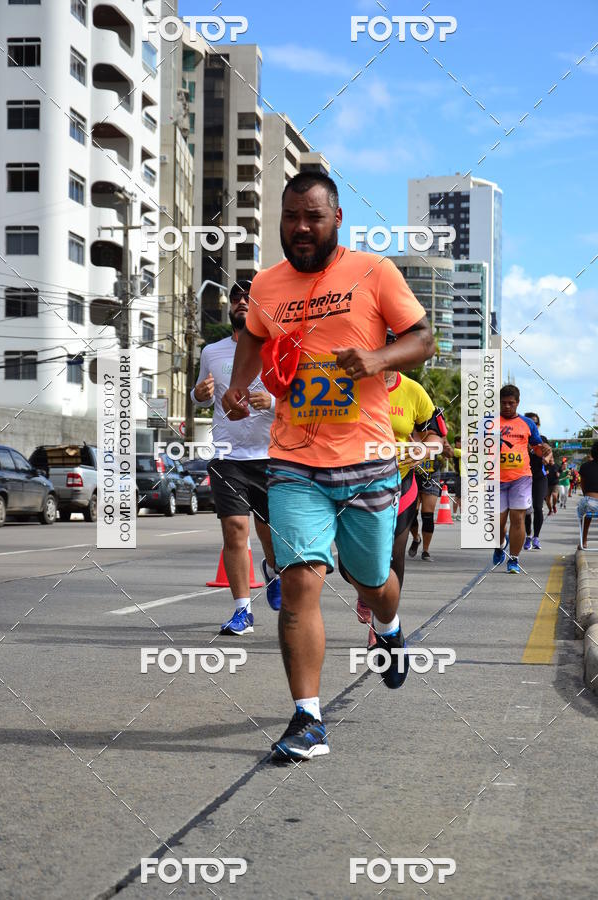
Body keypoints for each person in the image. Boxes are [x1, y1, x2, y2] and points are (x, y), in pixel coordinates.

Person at [222, 172, 435, 761]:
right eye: (291, 217)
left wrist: (376, 357)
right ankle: (307, 719)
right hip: (294, 461)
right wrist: (239, 387)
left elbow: (423, 338)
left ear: (337, 217)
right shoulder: (267, 284)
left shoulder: (374, 272)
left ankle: (389, 631)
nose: (301, 228)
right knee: (298, 583)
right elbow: (252, 339)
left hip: (366, 462)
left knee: (370, 581)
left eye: (313, 217)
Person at [191, 280, 281, 635]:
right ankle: (242, 610)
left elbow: (296, 400)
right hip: (228, 456)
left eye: (250, 297)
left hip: (272, 455)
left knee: (270, 532)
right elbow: (202, 396)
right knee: (235, 530)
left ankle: (273, 570)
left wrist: (271, 402)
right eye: (236, 297)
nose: (242, 301)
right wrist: (199, 394)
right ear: (230, 306)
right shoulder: (212, 352)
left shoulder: (277, 350)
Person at [356, 353, 447, 643]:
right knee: (353, 561)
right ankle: (366, 591)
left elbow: (436, 436)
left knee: (395, 555)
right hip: (356, 482)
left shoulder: (413, 391)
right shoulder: (351, 385)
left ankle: (381, 624)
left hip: (401, 481)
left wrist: (423, 449)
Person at [495, 385, 547, 574]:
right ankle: (500, 544)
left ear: (518, 403)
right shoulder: (489, 422)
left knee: (518, 519)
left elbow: (537, 447)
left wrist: (545, 450)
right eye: (503, 403)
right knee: (498, 522)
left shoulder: (527, 423)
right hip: (496, 479)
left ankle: (514, 559)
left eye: (511, 403)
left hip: (521, 478)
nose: (507, 406)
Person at [523, 412, 550, 550]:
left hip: (539, 478)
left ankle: (536, 538)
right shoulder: (521, 439)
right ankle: (528, 536)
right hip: (524, 478)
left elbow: (549, 453)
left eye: (535, 423)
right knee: (527, 510)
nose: (532, 425)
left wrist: (547, 458)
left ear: (538, 425)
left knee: (538, 508)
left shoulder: (542, 439)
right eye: (529, 422)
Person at [578, 441, 598, 549]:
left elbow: (583, 486)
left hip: (590, 501)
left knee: (584, 513)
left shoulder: (585, 466)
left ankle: (583, 540)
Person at [452, 435, 462, 519]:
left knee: (462, 496)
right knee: (458, 496)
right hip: (459, 476)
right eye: (460, 442)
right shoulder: (456, 451)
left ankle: (460, 514)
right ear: (456, 443)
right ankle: (455, 514)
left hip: (464, 476)